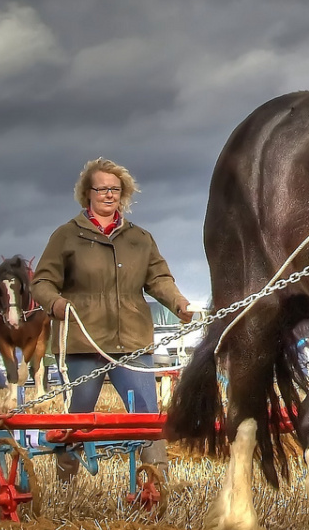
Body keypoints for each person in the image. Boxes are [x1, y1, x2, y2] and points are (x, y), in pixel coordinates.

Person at [32, 158, 193, 481]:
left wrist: (179, 303)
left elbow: (159, 278)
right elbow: (41, 283)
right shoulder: (67, 236)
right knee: (79, 417)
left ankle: (156, 482)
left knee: (147, 415)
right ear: (87, 193)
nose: (109, 195)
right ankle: (67, 480)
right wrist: (56, 304)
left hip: (133, 342)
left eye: (115, 190)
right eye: (102, 189)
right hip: (83, 342)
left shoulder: (140, 238)